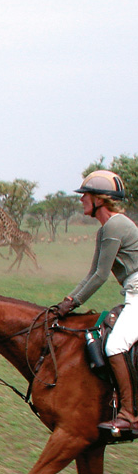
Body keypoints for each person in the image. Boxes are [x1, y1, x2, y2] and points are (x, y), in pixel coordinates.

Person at [54, 169, 138, 433]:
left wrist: (71, 304)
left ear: (100, 199)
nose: (81, 200)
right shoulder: (106, 229)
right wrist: (67, 300)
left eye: (85, 196)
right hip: (133, 291)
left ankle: (129, 415)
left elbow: (101, 276)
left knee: (115, 345)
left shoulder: (115, 225)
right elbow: (92, 273)